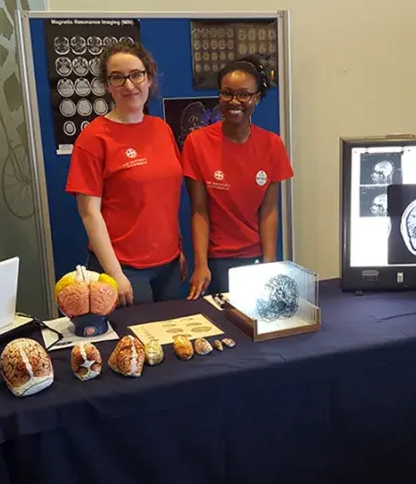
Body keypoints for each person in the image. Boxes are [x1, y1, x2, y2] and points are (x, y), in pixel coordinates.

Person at [65, 42, 186, 306]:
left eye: (136, 75)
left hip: (169, 266)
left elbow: (165, 195)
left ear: (149, 78)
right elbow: (89, 212)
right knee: (135, 345)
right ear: (107, 85)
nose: (129, 86)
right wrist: (115, 273)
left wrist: (178, 248)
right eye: (117, 78)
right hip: (124, 269)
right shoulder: (94, 138)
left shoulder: (162, 129)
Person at [182, 56, 294, 299]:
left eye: (244, 94)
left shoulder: (272, 144)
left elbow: (269, 210)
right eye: (227, 93)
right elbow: (199, 211)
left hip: (256, 256)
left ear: (257, 98)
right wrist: (201, 264)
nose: (234, 101)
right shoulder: (197, 143)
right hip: (219, 259)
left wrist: (269, 262)